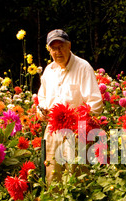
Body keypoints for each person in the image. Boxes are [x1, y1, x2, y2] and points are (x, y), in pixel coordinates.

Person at [37, 29, 103, 184]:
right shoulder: (49, 71)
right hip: (53, 131)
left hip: (76, 132)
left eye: (61, 47)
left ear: (69, 46)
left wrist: (79, 123)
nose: (57, 52)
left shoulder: (83, 67)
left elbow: (95, 102)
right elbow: (42, 98)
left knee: (77, 178)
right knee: (52, 177)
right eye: (53, 48)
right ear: (49, 50)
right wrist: (42, 111)